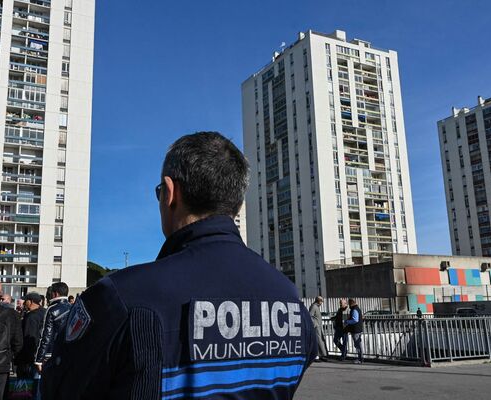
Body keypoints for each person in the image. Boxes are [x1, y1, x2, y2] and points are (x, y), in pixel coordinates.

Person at [41, 132, 317, 399]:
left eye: (159, 192)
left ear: (170, 193)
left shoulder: (119, 298)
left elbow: (58, 388)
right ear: (236, 202)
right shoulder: (290, 299)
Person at [34, 282, 72, 373]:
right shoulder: (73, 307)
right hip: (70, 352)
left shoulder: (52, 309)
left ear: (55, 293)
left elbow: (46, 336)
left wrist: (38, 360)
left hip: (52, 353)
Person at [15, 293, 45, 378]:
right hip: (41, 355)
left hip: (29, 360)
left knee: (26, 387)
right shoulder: (44, 312)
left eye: (26, 301)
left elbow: (28, 338)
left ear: (31, 302)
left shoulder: (31, 316)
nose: (24, 303)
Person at [309, 296, 329, 362]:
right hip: (316, 327)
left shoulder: (315, 306)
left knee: (320, 341)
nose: (322, 303)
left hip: (318, 327)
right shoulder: (314, 307)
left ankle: (320, 355)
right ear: (319, 301)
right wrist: (315, 324)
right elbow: (310, 316)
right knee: (318, 341)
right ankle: (317, 356)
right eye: (321, 301)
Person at [344, 299, 364, 364]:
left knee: (357, 344)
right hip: (358, 329)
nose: (348, 306)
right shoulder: (357, 309)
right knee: (358, 344)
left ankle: (360, 359)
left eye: (349, 304)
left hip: (356, 330)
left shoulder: (354, 309)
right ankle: (360, 358)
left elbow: (355, 320)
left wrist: (347, 321)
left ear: (351, 304)